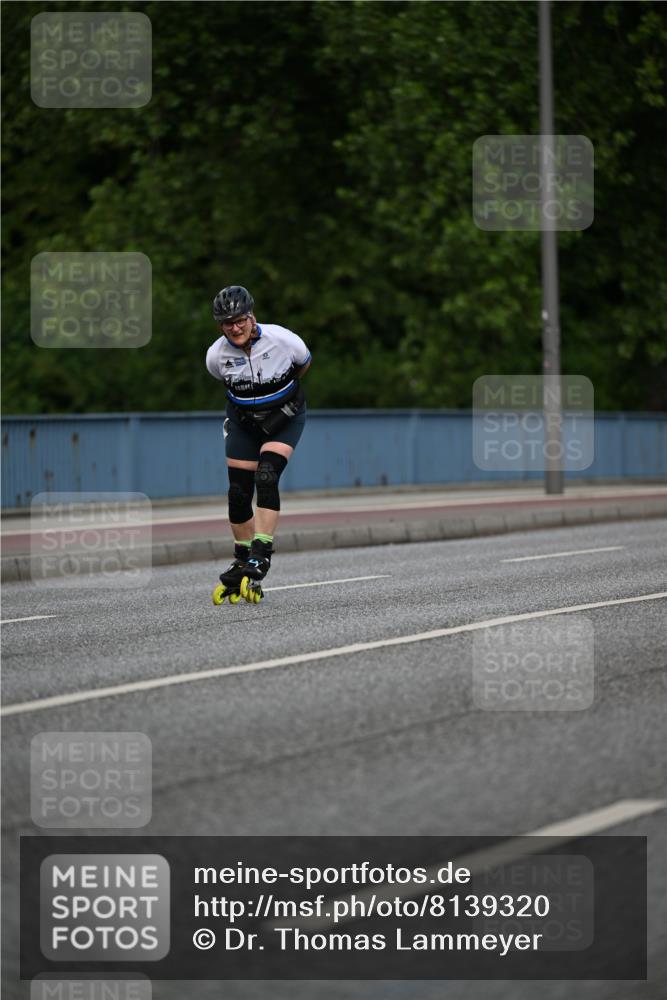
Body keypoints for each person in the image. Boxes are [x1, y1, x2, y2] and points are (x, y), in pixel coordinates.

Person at [205, 285, 312, 600]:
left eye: (240, 320)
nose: (235, 328)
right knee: (238, 493)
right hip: (243, 422)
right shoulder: (216, 355)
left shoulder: (283, 339)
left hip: (284, 416)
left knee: (266, 475)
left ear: (252, 317)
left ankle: (261, 553)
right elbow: (222, 379)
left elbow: (304, 364)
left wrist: (281, 400)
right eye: (228, 323)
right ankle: (242, 559)